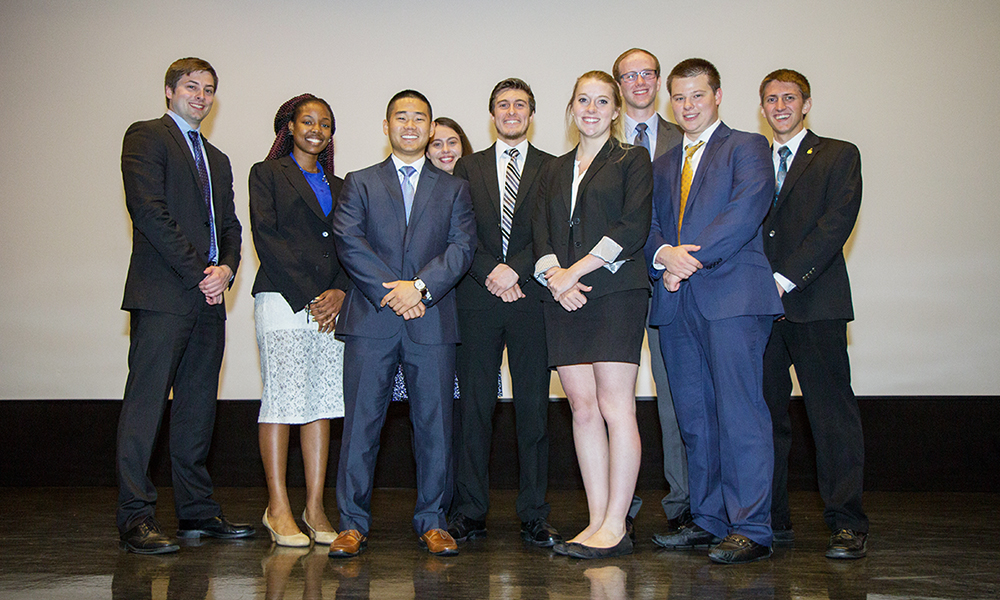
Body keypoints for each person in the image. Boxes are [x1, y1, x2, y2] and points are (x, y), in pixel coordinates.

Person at [645, 58, 782, 564]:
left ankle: (751, 527)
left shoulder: (747, 146)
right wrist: (664, 256)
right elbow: (649, 226)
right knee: (696, 418)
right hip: (677, 304)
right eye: (678, 98)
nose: (687, 106)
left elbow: (746, 211)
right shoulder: (661, 164)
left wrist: (689, 260)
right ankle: (707, 520)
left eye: (697, 96)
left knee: (740, 413)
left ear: (718, 96)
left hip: (732, 299)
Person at [329, 90, 476, 558]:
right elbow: (348, 241)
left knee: (435, 425)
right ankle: (352, 523)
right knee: (361, 425)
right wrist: (396, 292)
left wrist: (420, 288)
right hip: (372, 320)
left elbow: (460, 249)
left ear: (431, 129)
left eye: (420, 118)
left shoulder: (455, 188)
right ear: (386, 125)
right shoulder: (360, 181)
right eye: (401, 117)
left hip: (431, 320)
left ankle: (432, 520)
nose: (410, 125)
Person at [117, 57, 252, 554]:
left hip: (209, 299)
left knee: (197, 409)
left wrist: (228, 270)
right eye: (191, 86)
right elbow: (148, 212)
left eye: (209, 88)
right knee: (146, 408)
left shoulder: (216, 158)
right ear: (170, 91)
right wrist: (202, 272)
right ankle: (135, 517)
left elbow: (231, 229)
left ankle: (196, 513)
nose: (201, 95)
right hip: (164, 296)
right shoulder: (146, 136)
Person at [533, 71, 652, 559]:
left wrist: (572, 272)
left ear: (616, 110)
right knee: (581, 409)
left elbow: (633, 227)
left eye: (603, 101)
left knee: (614, 407)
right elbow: (539, 233)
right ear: (570, 107)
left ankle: (617, 525)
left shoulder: (632, 159)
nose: (591, 108)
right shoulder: (553, 169)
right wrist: (554, 279)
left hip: (615, 294)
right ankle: (597, 519)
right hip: (563, 298)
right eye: (583, 99)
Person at [758, 69, 868, 559]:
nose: (780, 106)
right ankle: (772, 521)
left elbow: (835, 225)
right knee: (765, 420)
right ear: (761, 108)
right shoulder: (751, 158)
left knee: (830, 416)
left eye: (789, 98)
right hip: (759, 312)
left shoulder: (838, 154)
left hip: (814, 304)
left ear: (806, 104)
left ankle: (847, 524)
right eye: (770, 99)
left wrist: (784, 279)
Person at [448, 78, 559, 546]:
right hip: (477, 298)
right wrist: (491, 271)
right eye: (502, 104)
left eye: (519, 104)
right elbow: (457, 234)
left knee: (534, 410)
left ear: (532, 112)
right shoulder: (464, 168)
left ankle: (534, 513)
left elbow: (553, 233)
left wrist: (513, 271)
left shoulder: (554, 168)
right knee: (474, 408)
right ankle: (470, 510)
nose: (510, 111)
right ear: (491, 113)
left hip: (532, 300)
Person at [250, 94, 350, 547]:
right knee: (283, 400)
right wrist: (311, 293)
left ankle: (314, 507)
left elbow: (352, 245)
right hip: (283, 301)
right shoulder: (267, 174)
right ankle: (278, 507)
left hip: (330, 306)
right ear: (289, 126)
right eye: (307, 121)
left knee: (323, 401)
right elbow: (265, 236)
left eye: (325, 123)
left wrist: (341, 291)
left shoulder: (343, 184)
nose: (317, 129)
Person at [612, 47, 689, 538]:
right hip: (612, 289)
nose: (639, 81)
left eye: (647, 73)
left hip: (668, 282)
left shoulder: (688, 137)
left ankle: (683, 500)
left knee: (676, 395)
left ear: (658, 80)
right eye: (628, 75)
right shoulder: (595, 135)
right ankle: (619, 500)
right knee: (610, 400)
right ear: (617, 83)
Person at [391, 117, 472, 403]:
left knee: (466, 406)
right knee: (421, 409)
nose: (445, 150)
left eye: (452, 142)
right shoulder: (397, 189)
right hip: (416, 313)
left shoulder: (474, 188)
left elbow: (465, 247)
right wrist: (414, 291)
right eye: (436, 144)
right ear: (425, 149)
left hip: (469, 314)